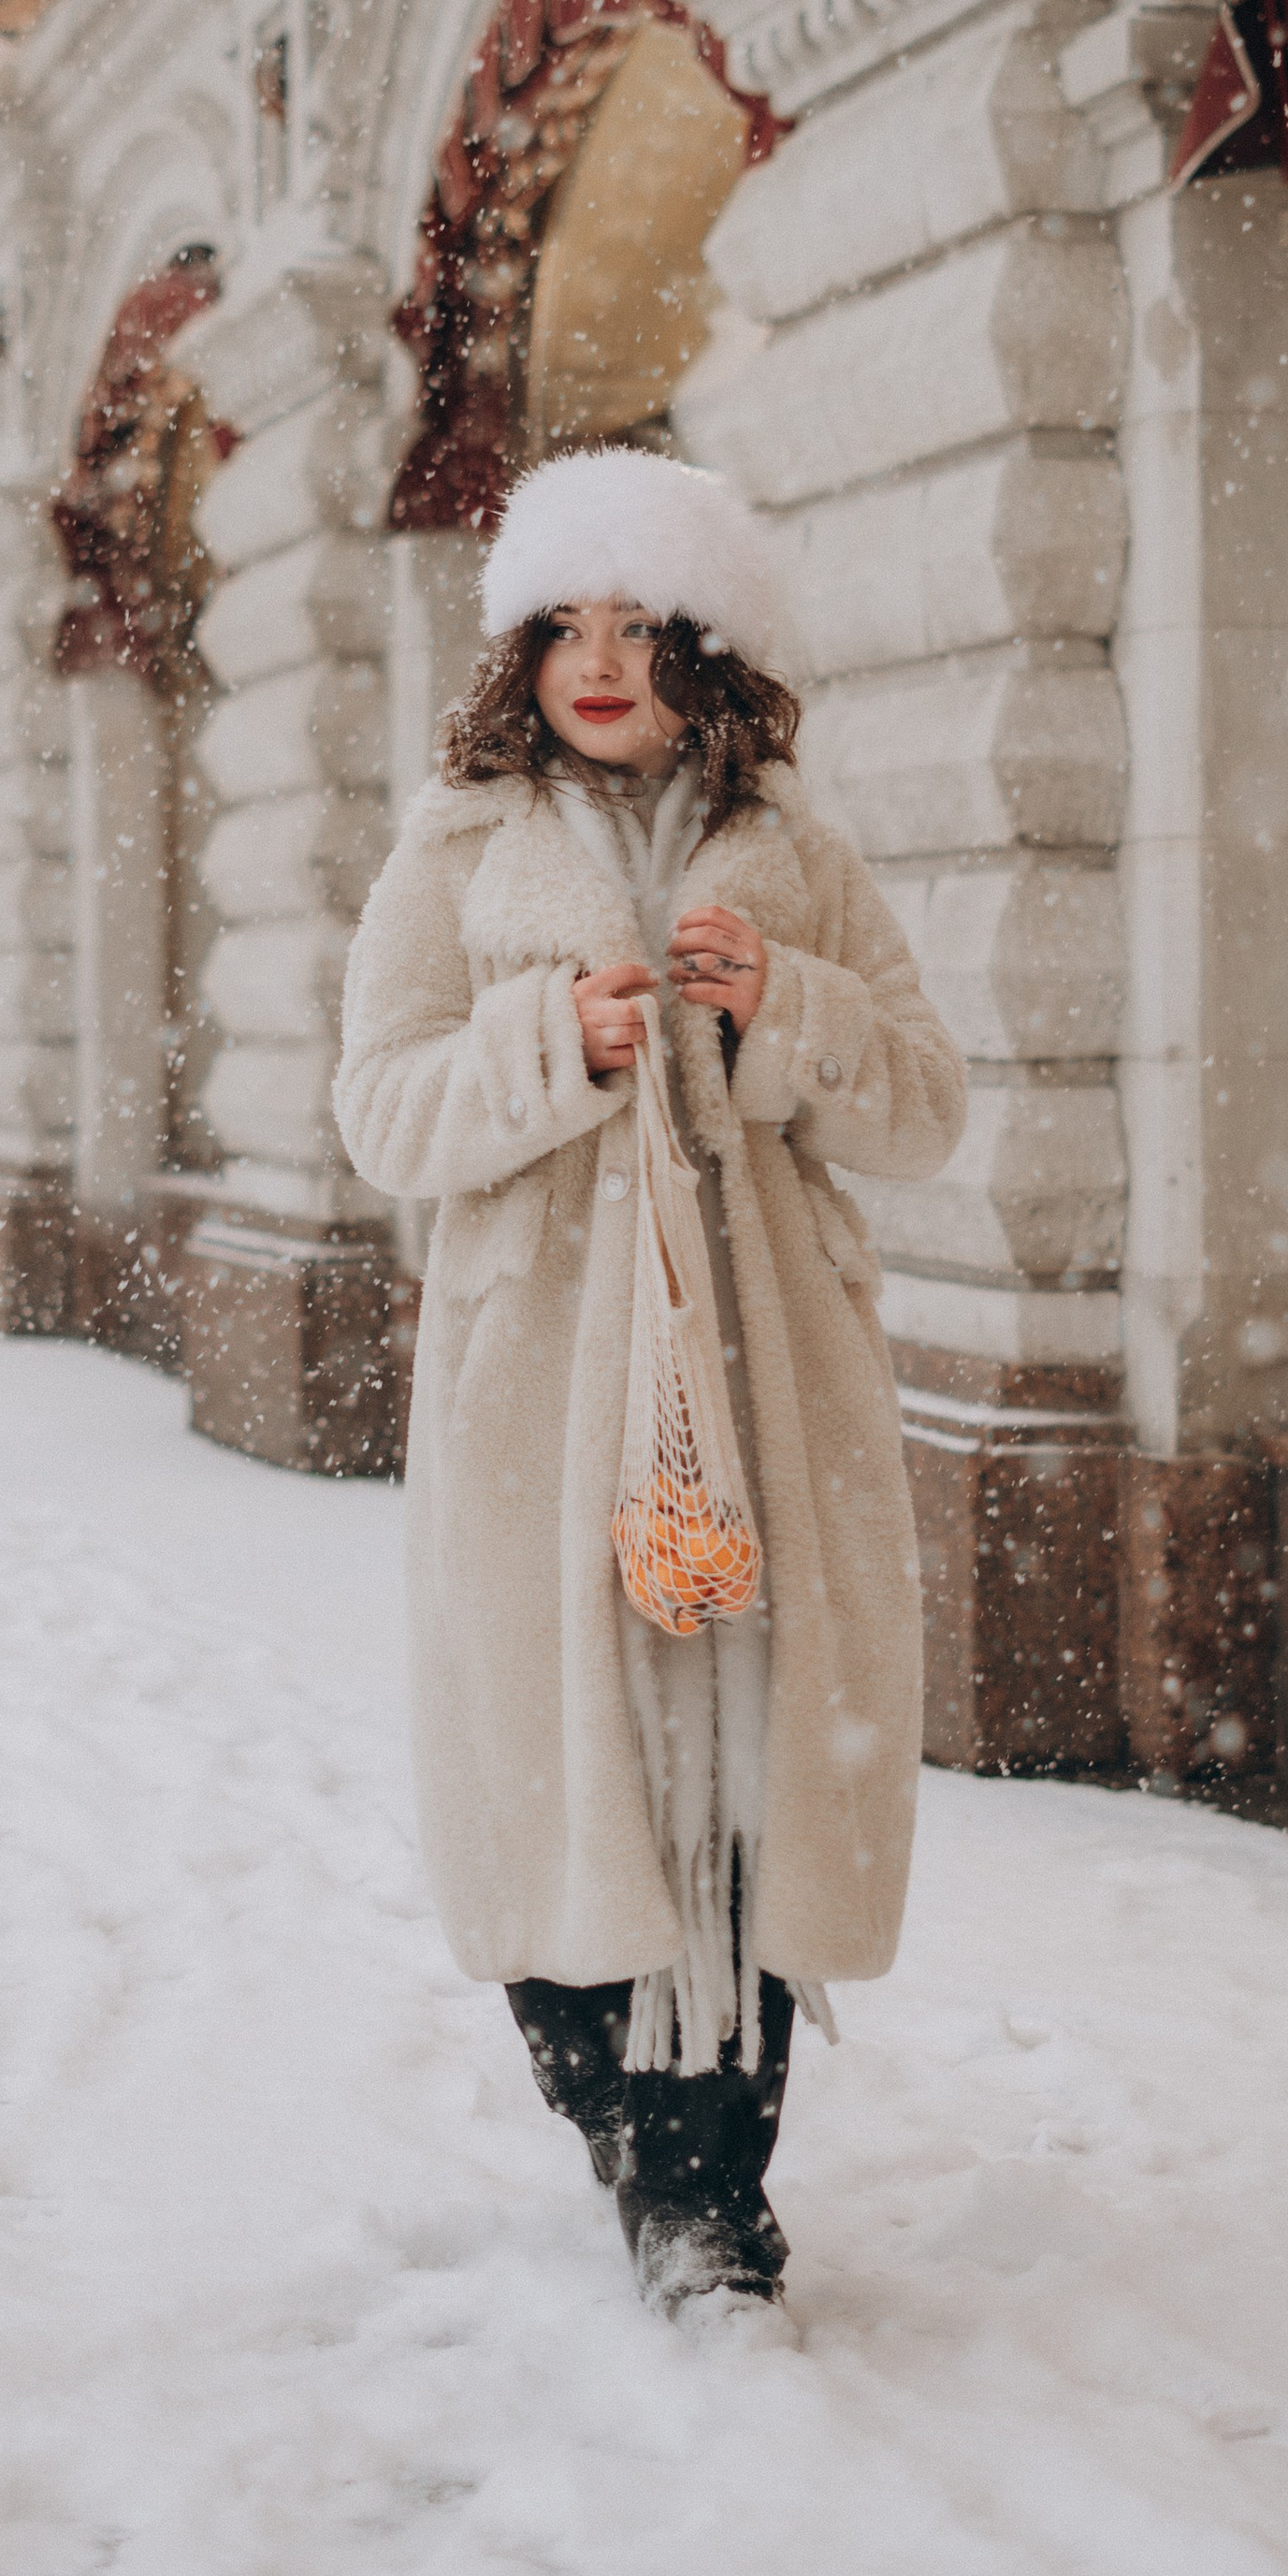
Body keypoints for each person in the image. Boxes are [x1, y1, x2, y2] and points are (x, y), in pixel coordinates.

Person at [334, 446, 965, 2321]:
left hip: (768, 1401)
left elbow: (923, 1108)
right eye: (563, 626)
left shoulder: (800, 864)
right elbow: (380, 1112)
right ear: (518, 650)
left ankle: (714, 2178)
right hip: (543, 1399)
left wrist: (792, 1012)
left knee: (753, 1766)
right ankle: (633, 2142)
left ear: (709, 651)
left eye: (639, 625)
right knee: (569, 1762)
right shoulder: (451, 856)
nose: (596, 662)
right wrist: (550, 1039)